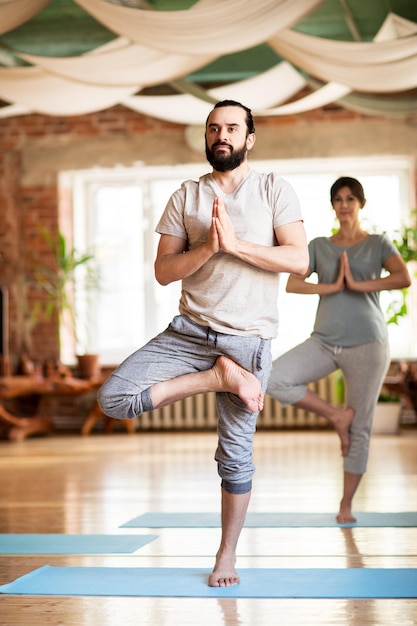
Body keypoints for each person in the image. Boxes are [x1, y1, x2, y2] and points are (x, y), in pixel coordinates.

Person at [97, 99, 309, 586]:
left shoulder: (275, 189)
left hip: (247, 341)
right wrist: (209, 247)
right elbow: (163, 271)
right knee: (113, 399)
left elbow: (298, 261)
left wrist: (235, 245)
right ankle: (213, 378)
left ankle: (226, 557)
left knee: (235, 455)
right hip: (189, 334)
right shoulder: (186, 196)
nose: (222, 135)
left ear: (249, 138)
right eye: (214, 128)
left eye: (233, 128)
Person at [266, 176, 411, 523]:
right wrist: (330, 286)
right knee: (273, 378)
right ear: (333, 205)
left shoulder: (378, 243)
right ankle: (335, 415)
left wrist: (358, 284)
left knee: (361, 426)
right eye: (338, 199)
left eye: (350, 198)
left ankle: (345, 505)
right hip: (324, 340)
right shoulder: (319, 245)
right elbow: (294, 284)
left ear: (361, 203)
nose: (344, 204)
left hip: (368, 342)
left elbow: (402, 278)